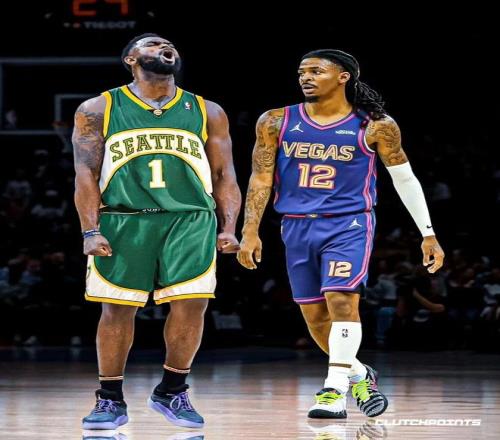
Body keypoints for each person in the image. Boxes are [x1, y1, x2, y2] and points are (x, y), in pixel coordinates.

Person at [237, 49, 444, 418]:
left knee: (342, 300)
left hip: (348, 223)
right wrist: (249, 230)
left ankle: (332, 391)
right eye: (302, 72)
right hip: (295, 224)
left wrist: (427, 233)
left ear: (344, 76)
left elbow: (405, 179)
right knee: (316, 319)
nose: (306, 77)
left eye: (317, 71)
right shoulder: (275, 120)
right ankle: (360, 373)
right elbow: (261, 177)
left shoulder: (376, 125)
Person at [73, 33, 241, 430]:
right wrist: (89, 230)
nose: (166, 48)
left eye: (169, 45)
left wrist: (230, 227)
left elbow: (224, 174)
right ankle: (110, 399)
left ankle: (172, 389)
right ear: (131, 59)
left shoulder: (207, 110)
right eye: (152, 44)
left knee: (193, 302)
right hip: (124, 217)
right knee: (117, 308)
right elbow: (85, 173)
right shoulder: (99, 108)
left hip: (190, 218)